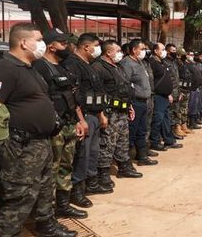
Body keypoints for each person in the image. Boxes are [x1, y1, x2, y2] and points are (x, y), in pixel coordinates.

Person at [0, 23, 77, 237]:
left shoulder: (30, 68)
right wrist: (4, 143)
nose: (42, 43)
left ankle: (47, 226)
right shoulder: (5, 68)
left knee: (44, 186)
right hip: (21, 145)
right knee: (18, 195)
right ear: (23, 43)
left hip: (41, 143)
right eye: (38, 39)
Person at [33, 28, 88, 220]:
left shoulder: (64, 66)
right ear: (51, 46)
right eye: (63, 43)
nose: (67, 46)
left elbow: (73, 96)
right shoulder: (39, 67)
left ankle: (63, 205)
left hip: (69, 124)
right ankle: (47, 213)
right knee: (51, 170)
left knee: (66, 166)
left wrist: (80, 120)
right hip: (53, 128)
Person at [92, 40, 146, 189]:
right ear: (108, 52)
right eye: (117, 51)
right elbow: (97, 92)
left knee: (122, 140)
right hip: (110, 112)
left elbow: (124, 88)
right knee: (107, 143)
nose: (120, 53)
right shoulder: (98, 67)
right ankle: (103, 173)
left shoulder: (118, 67)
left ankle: (124, 167)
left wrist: (129, 106)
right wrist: (101, 113)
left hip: (122, 110)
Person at [63, 33, 108, 204]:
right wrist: (80, 119)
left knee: (93, 152)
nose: (98, 49)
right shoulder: (73, 64)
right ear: (86, 47)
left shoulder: (89, 64)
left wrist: (101, 114)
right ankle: (77, 191)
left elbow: (96, 91)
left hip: (94, 115)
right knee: (82, 154)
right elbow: (74, 95)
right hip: (84, 116)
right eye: (96, 45)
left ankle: (91, 183)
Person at [120, 39, 158, 165]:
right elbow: (125, 84)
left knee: (142, 130)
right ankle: (127, 160)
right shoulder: (127, 63)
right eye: (141, 49)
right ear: (134, 50)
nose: (144, 51)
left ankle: (142, 156)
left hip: (144, 101)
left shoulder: (140, 62)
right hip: (134, 102)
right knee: (132, 131)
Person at [149, 43, 182, 151]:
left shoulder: (162, 62)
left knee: (166, 119)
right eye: (162, 49)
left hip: (165, 96)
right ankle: (155, 142)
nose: (164, 52)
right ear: (155, 51)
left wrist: (169, 93)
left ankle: (169, 140)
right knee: (158, 119)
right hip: (158, 96)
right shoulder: (152, 63)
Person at [165, 44, 186, 139]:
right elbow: (167, 79)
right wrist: (168, 93)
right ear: (167, 51)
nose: (175, 52)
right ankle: (170, 133)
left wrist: (180, 91)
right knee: (170, 113)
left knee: (176, 112)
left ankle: (175, 130)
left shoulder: (174, 62)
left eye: (175, 50)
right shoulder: (165, 62)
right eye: (173, 51)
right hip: (170, 92)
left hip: (177, 92)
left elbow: (177, 79)